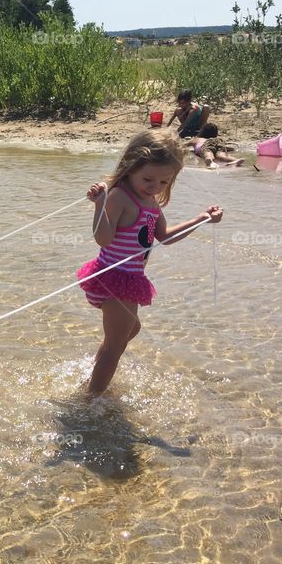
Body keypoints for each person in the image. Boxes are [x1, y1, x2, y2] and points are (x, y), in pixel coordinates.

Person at [76, 129, 223, 394]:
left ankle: (91, 377)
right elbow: (104, 239)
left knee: (128, 331)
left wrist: (201, 218)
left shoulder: (151, 201)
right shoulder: (120, 196)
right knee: (115, 347)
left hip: (131, 280)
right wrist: (100, 205)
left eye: (164, 182)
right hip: (115, 278)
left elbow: (164, 237)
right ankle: (90, 403)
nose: (155, 186)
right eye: (148, 179)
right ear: (130, 166)